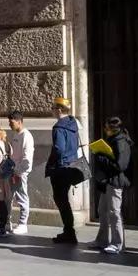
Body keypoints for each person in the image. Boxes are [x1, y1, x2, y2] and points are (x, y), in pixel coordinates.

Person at [45, 97, 85, 245]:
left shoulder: (58, 127)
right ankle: (69, 231)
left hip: (60, 168)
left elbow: (59, 148)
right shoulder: (73, 124)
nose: (52, 110)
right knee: (64, 200)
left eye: (53, 108)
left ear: (59, 110)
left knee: (61, 200)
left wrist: (52, 162)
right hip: (71, 165)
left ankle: (69, 232)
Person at [91, 117, 132, 254]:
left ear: (113, 129)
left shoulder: (121, 142)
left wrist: (102, 157)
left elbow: (121, 165)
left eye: (107, 128)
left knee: (114, 212)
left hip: (115, 181)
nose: (105, 130)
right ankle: (102, 240)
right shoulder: (112, 140)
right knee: (102, 210)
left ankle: (117, 243)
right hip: (106, 181)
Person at [6, 111, 34, 235]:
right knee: (8, 198)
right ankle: (7, 223)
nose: (10, 125)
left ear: (19, 122)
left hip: (20, 173)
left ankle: (23, 224)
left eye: (12, 122)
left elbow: (27, 158)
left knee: (22, 197)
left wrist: (20, 171)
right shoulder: (16, 135)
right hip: (12, 171)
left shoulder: (26, 136)